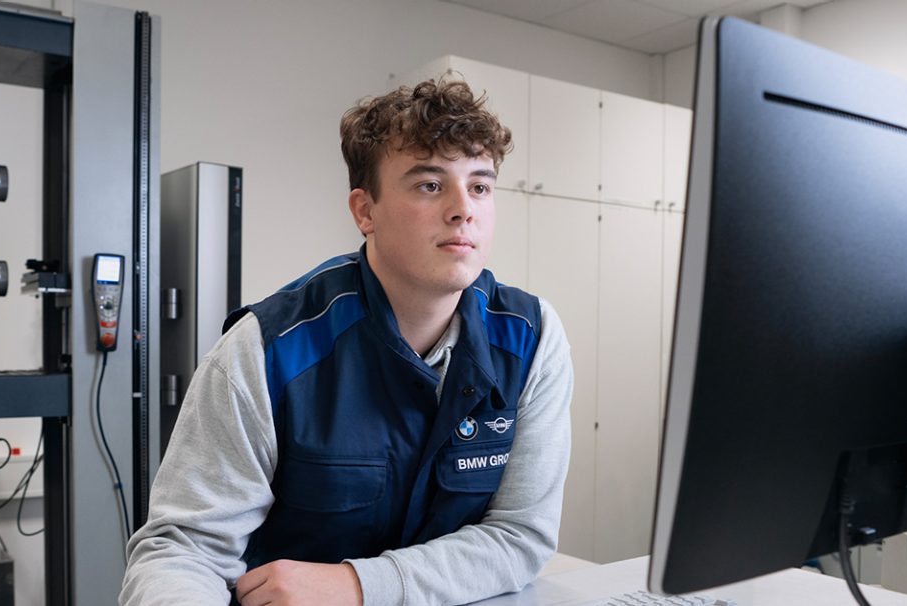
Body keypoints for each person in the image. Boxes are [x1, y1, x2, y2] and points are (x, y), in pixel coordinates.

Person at [120, 77, 574, 606]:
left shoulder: (531, 338)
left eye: (479, 186)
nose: (463, 209)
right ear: (365, 211)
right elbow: (182, 553)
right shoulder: (266, 351)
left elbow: (521, 535)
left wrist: (360, 585)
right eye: (430, 184)